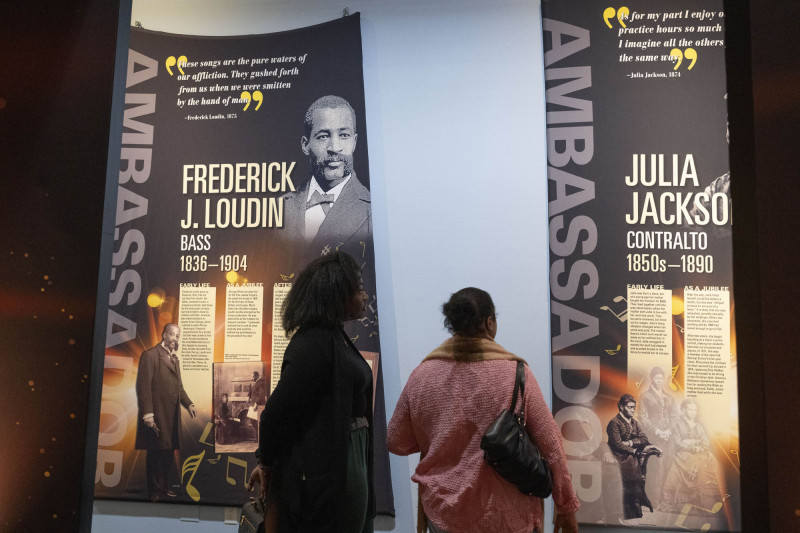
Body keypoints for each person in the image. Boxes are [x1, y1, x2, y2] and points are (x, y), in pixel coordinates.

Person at [386, 287, 580, 533]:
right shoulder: (517, 374)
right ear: (489, 322)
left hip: (445, 515)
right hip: (506, 517)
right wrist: (566, 507)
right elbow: (551, 446)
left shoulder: (422, 376)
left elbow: (396, 441)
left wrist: (439, 439)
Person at [247, 251, 374, 533]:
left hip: (349, 456)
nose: (365, 297)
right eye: (360, 289)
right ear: (338, 294)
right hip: (333, 468)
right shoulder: (313, 343)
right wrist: (266, 464)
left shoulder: (333, 336)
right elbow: (276, 415)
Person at [281, 95, 371, 249]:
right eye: (323, 136)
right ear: (305, 145)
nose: (335, 147)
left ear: (354, 142)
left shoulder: (372, 209)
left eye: (344, 135)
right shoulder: (280, 207)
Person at [135, 323, 196, 502]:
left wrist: (189, 404)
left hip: (172, 415)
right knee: (155, 453)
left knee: (168, 453)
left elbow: (180, 388)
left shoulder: (175, 360)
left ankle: (164, 488)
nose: (174, 339)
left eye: (177, 336)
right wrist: (148, 413)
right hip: (157, 414)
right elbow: (143, 386)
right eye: (171, 335)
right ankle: (154, 492)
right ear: (164, 335)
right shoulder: (150, 355)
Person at [661, 398, 724, 513]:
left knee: (713, 464)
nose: (693, 412)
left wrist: (695, 444)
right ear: (683, 410)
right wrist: (692, 445)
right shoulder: (677, 425)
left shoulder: (699, 426)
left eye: (694, 410)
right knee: (697, 464)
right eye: (690, 409)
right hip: (683, 454)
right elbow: (678, 442)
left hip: (699, 452)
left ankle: (709, 503)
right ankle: (689, 502)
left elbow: (705, 442)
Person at [606, 394, 662, 523]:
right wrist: (634, 450)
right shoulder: (614, 423)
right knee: (632, 467)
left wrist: (631, 443)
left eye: (634, 408)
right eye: (630, 407)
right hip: (618, 455)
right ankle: (625, 512)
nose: (633, 410)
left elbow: (644, 439)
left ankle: (635, 510)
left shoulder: (634, 423)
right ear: (621, 407)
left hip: (631, 455)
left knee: (639, 467)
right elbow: (617, 444)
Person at [638, 366, 678, 506]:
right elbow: (643, 417)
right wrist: (657, 431)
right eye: (657, 377)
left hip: (669, 437)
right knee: (656, 467)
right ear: (652, 378)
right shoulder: (645, 396)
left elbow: (674, 416)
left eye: (661, 378)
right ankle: (654, 500)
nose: (659, 380)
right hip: (654, 436)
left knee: (668, 465)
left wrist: (668, 431)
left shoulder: (669, 397)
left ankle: (665, 499)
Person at [248, 370, 268, 436]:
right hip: (252, 404)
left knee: (256, 421)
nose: (252, 378)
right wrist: (248, 396)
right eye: (251, 377)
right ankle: (258, 435)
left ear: (257, 376)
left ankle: (260, 436)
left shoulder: (261, 383)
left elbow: (261, 394)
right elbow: (252, 391)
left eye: (253, 377)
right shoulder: (255, 383)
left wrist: (256, 403)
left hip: (257, 404)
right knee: (251, 419)